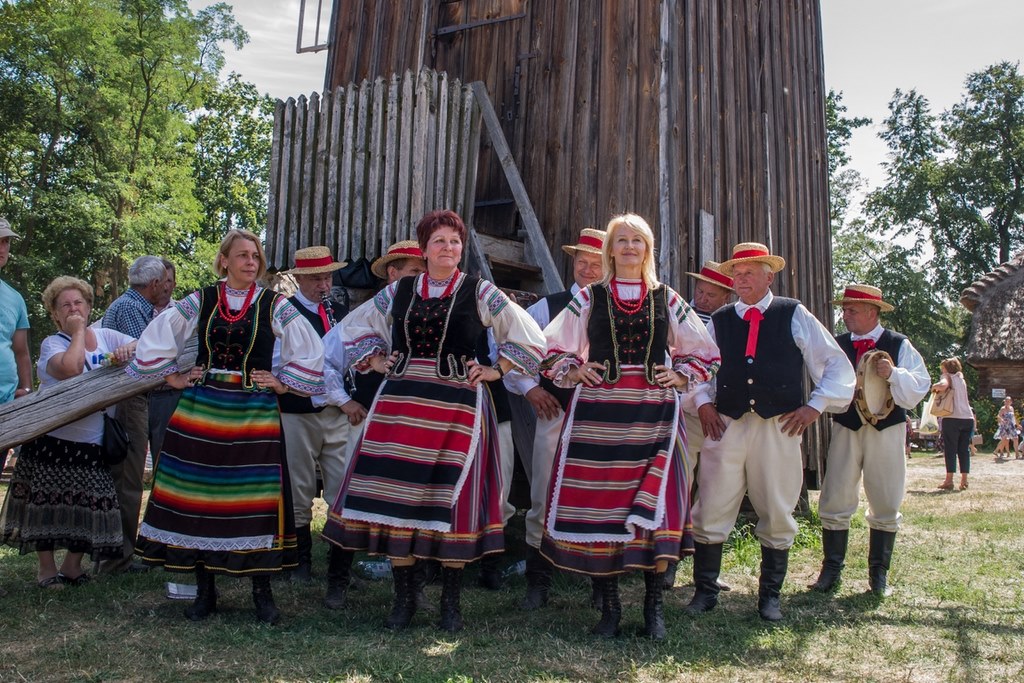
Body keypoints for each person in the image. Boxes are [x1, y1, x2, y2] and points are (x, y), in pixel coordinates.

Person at [321, 209, 545, 633]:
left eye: (455, 241)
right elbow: (354, 327)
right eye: (439, 241)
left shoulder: (479, 290)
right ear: (424, 250)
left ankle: (450, 603)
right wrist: (374, 359)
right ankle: (405, 598)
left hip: (458, 408)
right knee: (398, 498)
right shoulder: (401, 290)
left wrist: (497, 369)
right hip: (401, 405)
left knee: (452, 500)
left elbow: (529, 334)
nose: (448, 248)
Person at [127, 229, 325, 624]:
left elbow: (309, 349)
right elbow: (160, 333)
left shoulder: (273, 303)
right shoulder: (202, 299)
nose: (251, 262)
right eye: (242, 255)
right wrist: (173, 377)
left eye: (255, 256)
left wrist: (283, 383)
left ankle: (262, 594)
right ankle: (206, 592)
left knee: (256, 500)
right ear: (224, 261)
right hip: (203, 408)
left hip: (254, 411)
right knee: (200, 497)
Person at [540, 214, 721, 640]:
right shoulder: (590, 297)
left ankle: (653, 609)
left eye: (636, 240)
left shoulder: (666, 297)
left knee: (658, 505)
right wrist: (574, 369)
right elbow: (550, 345)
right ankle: (610, 609)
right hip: (599, 412)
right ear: (610, 249)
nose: (628, 247)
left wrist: (681, 375)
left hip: (653, 412)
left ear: (648, 249)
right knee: (602, 504)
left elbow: (703, 349)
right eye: (621, 240)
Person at [685, 242, 855, 622]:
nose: (741, 279)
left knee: (777, 505)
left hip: (778, 427)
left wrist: (815, 405)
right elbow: (698, 366)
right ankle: (705, 591)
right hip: (727, 425)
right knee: (712, 500)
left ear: (769, 276)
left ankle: (770, 596)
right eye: (737, 273)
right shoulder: (720, 320)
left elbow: (834, 363)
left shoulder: (792, 313)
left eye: (749, 272)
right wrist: (704, 403)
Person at [0, 276, 135, 588]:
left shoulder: (107, 336)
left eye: (78, 303)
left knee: (91, 505)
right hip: (51, 441)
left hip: (93, 442)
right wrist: (77, 333)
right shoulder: (52, 344)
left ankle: (72, 567)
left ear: (89, 306)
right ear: (55, 314)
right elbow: (72, 368)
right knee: (43, 508)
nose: (73, 309)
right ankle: (46, 571)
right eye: (65, 306)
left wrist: (128, 347)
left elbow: (147, 343)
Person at [318, 239, 425, 610]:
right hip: (369, 420)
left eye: (424, 272)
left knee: (410, 502)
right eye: (414, 271)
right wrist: (344, 400)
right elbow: (326, 358)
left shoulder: (432, 312)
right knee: (352, 497)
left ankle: (410, 591)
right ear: (393, 274)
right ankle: (337, 583)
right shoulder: (369, 311)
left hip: (412, 422)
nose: (422, 278)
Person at [503, 227, 605, 610]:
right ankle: (539, 582)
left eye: (596, 264)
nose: (587, 269)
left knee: (599, 497)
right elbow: (513, 350)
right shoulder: (547, 307)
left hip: (603, 421)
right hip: (557, 415)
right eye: (582, 261)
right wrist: (530, 388)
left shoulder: (618, 310)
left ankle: (601, 585)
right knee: (544, 494)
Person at [810, 285, 930, 597]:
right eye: (844, 310)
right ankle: (831, 569)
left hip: (886, 430)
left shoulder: (898, 344)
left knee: (886, 496)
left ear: (872, 313)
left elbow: (920, 385)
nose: (845, 315)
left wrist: (893, 374)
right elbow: (823, 379)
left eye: (852, 310)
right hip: (847, 427)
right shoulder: (837, 345)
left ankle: (879, 574)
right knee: (835, 494)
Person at [276, 246, 349, 583]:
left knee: (342, 485)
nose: (324, 285)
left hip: (335, 413)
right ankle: (299, 561)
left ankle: (339, 565)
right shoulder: (284, 313)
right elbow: (280, 364)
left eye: (328, 278)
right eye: (317, 279)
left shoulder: (337, 311)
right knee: (298, 486)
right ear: (300, 280)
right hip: (298, 412)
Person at [663, 261, 735, 590]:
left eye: (711, 295)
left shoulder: (731, 321)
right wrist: (700, 401)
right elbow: (679, 365)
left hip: (725, 414)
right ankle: (668, 562)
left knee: (717, 487)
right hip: (686, 412)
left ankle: (707, 568)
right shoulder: (679, 318)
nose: (703, 299)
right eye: (700, 291)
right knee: (679, 484)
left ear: (726, 297)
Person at [96, 255, 167, 575]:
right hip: (128, 400)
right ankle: (116, 560)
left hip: (132, 399)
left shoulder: (132, 306)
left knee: (128, 479)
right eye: (163, 282)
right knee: (126, 480)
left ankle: (118, 555)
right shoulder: (130, 308)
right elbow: (147, 357)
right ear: (153, 284)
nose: (165, 288)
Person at [0, 218, 33, 473]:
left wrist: (27, 390)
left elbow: (21, 352)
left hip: (5, 405)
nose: (2, 248)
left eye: (6, 242)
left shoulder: (15, 298)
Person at [147, 258, 180, 471]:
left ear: (174, 284)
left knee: (166, 459)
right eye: (160, 280)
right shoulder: (137, 309)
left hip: (169, 395)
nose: (164, 286)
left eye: (168, 280)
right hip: (135, 397)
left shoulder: (183, 313)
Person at [932, 357, 973, 491]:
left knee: (950, 449)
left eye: (943, 368)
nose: (942, 370)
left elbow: (943, 385)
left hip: (952, 417)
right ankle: (964, 480)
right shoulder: (961, 379)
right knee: (964, 450)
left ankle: (949, 480)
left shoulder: (947, 376)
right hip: (967, 418)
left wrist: (934, 387)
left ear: (947, 368)